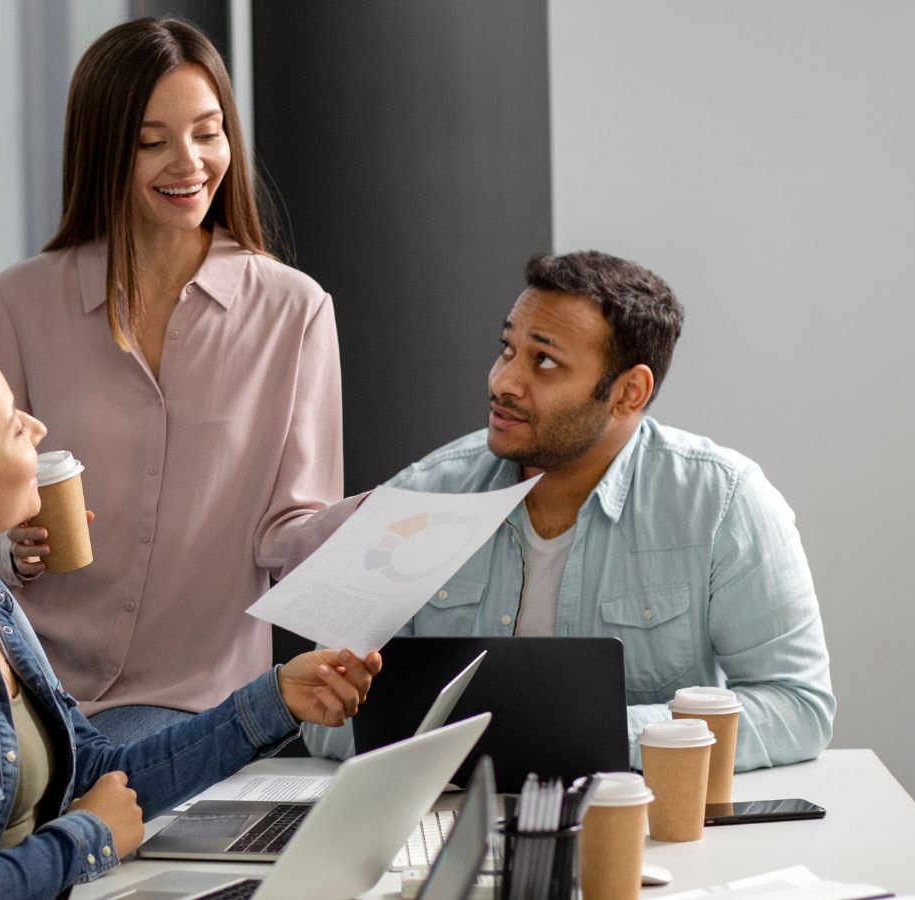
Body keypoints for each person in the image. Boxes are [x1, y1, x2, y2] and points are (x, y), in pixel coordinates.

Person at [0, 322, 381, 899]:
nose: (36, 428)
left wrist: (278, 699)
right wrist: (88, 836)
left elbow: (97, 774)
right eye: (12, 426)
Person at [301, 251, 833, 772]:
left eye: (545, 361)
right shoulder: (421, 496)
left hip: (646, 818)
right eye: (507, 348)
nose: (502, 381)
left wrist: (590, 733)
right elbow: (321, 712)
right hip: (450, 813)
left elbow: (797, 706)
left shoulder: (722, 502)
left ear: (629, 392)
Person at [0, 18, 345, 742]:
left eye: (208, 133)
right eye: (153, 142)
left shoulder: (294, 310)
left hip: (199, 702)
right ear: (104, 149)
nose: (190, 163)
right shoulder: (23, 301)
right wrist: (13, 549)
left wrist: (387, 530)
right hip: (34, 688)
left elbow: (290, 529)